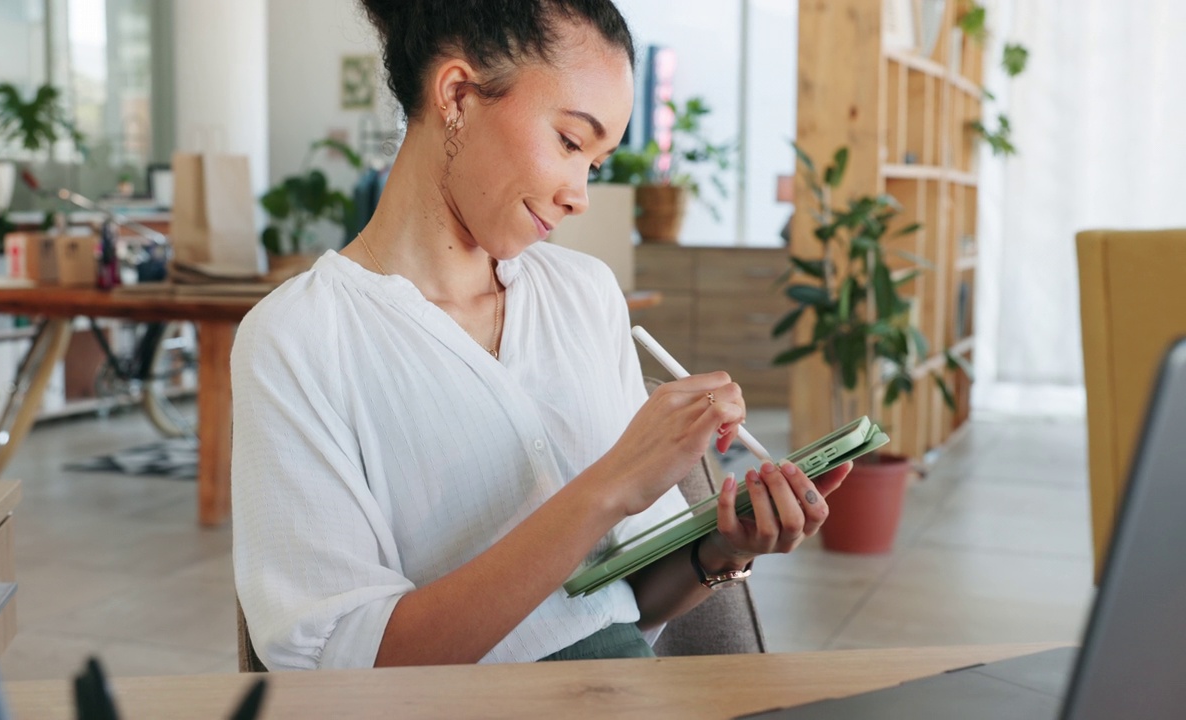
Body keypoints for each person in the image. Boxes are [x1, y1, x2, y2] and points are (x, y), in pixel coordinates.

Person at [231, 0, 853, 670]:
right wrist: (610, 484)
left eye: (597, 160)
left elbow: (621, 607)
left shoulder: (583, 296)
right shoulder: (298, 340)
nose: (580, 194)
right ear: (458, 96)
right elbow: (340, 668)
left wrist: (724, 549)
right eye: (570, 142)